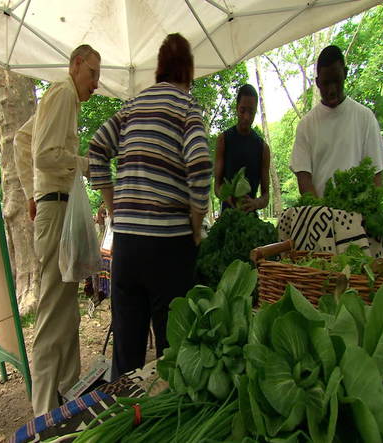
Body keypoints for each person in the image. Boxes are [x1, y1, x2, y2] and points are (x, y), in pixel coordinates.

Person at [89, 33, 212, 380]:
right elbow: (201, 163)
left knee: (127, 354)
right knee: (172, 354)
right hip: (169, 248)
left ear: (159, 69)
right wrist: (196, 220)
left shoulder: (132, 106)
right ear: (188, 71)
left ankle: (126, 421)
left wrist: (114, 207)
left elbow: (97, 147)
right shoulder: (187, 107)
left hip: (126, 246)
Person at [15, 44, 101, 416]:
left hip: (56, 206)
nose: (96, 84)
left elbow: (22, 141)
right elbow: (45, 154)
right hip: (57, 208)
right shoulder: (64, 92)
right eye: (93, 73)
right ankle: (43, 412)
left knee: (67, 308)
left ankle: (67, 396)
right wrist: (84, 162)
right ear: (77, 64)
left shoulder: (59, 97)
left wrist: (30, 192)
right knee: (53, 310)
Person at [290, 45, 383, 197]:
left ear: (345, 73)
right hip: (320, 213)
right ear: (317, 82)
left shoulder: (365, 117)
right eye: (325, 83)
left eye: (336, 81)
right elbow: (303, 176)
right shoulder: (306, 125)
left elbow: (376, 174)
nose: (331, 90)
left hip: (358, 214)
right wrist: (321, 212)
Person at [215, 84, 270, 212]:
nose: (246, 117)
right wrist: (227, 196)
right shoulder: (223, 140)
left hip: (250, 220)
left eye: (251, 112)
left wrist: (255, 203)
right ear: (236, 108)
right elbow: (217, 186)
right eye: (242, 110)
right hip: (228, 218)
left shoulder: (263, 148)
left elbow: (266, 196)